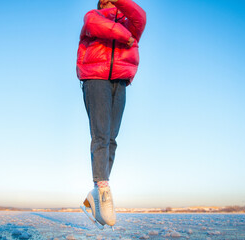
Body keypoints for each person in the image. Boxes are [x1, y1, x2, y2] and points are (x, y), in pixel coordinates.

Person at [77, 0, 146, 227]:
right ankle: (103, 190)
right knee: (100, 135)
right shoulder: (93, 16)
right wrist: (124, 37)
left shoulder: (128, 22)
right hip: (95, 77)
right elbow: (97, 26)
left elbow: (141, 17)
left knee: (112, 139)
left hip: (121, 80)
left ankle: (96, 193)